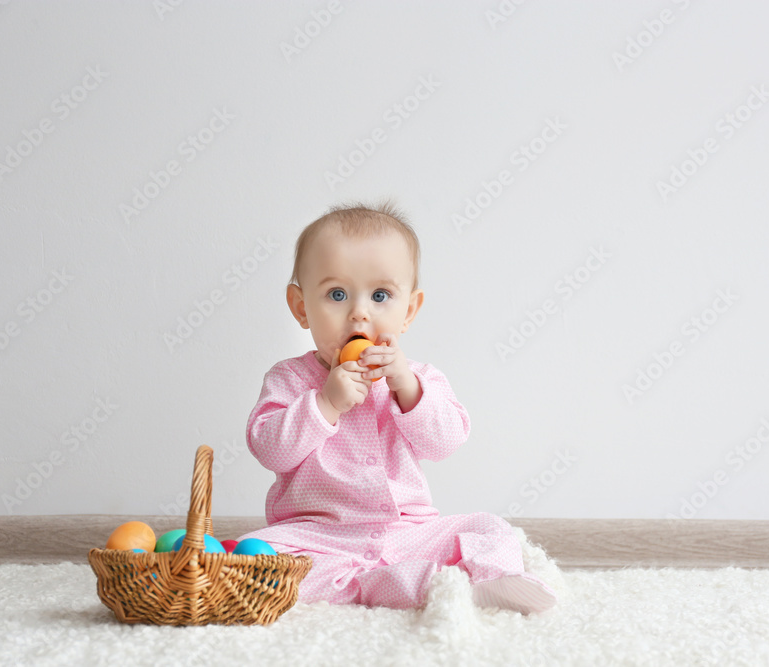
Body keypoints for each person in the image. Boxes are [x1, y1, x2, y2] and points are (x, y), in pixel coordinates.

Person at [236, 201, 557, 614]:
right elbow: (269, 449)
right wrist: (325, 403)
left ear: (408, 311)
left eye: (381, 295)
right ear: (301, 308)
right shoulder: (290, 379)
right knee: (256, 555)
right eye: (337, 294)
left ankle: (495, 579)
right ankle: (398, 585)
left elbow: (447, 441)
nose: (359, 313)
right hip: (319, 535)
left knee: (487, 526)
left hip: (407, 532)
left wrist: (407, 386)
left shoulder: (417, 376)